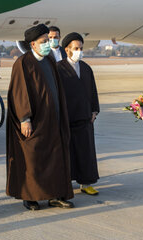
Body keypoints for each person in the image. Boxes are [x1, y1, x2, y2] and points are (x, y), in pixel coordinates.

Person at [6, 24, 74, 211]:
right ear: (33, 44)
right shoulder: (23, 63)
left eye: (49, 40)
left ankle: (55, 196)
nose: (48, 44)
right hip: (35, 122)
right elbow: (19, 94)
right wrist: (25, 119)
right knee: (33, 160)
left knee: (56, 159)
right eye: (44, 41)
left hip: (54, 121)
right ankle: (31, 197)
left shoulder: (50, 60)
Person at [57, 32, 100, 195]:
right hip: (66, 118)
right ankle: (65, 182)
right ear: (67, 49)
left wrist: (94, 110)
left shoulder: (86, 68)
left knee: (86, 152)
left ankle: (86, 182)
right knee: (67, 153)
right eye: (76, 48)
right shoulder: (59, 68)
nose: (79, 51)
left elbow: (93, 92)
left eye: (81, 48)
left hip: (85, 118)